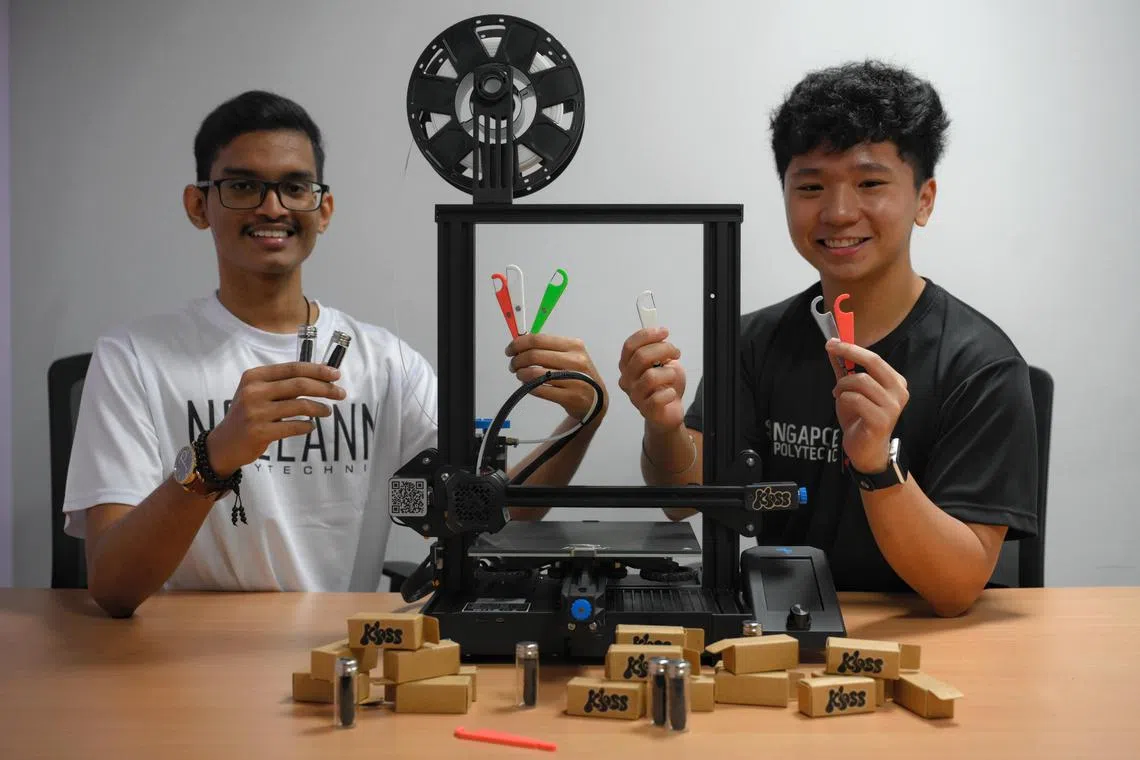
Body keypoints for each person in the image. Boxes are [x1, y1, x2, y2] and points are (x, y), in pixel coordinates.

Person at [62, 90, 606, 618]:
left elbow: (498, 513)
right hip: (178, 661)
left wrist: (581, 419)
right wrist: (214, 457)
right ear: (198, 205)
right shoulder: (133, 358)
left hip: (333, 657)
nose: (272, 207)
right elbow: (111, 587)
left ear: (323, 210)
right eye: (244, 185)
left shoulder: (387, 365)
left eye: (294, 187)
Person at [617, 60, 1038, 617]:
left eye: (870, 183)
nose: (839, 212)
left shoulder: (980, 364)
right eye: (811, 186)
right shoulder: (754, 341)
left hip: (921, 636)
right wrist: (664, 427)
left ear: (924, 199)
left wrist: (877, 465)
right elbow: (683, 497)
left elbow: (957, 587)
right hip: (781, 625)